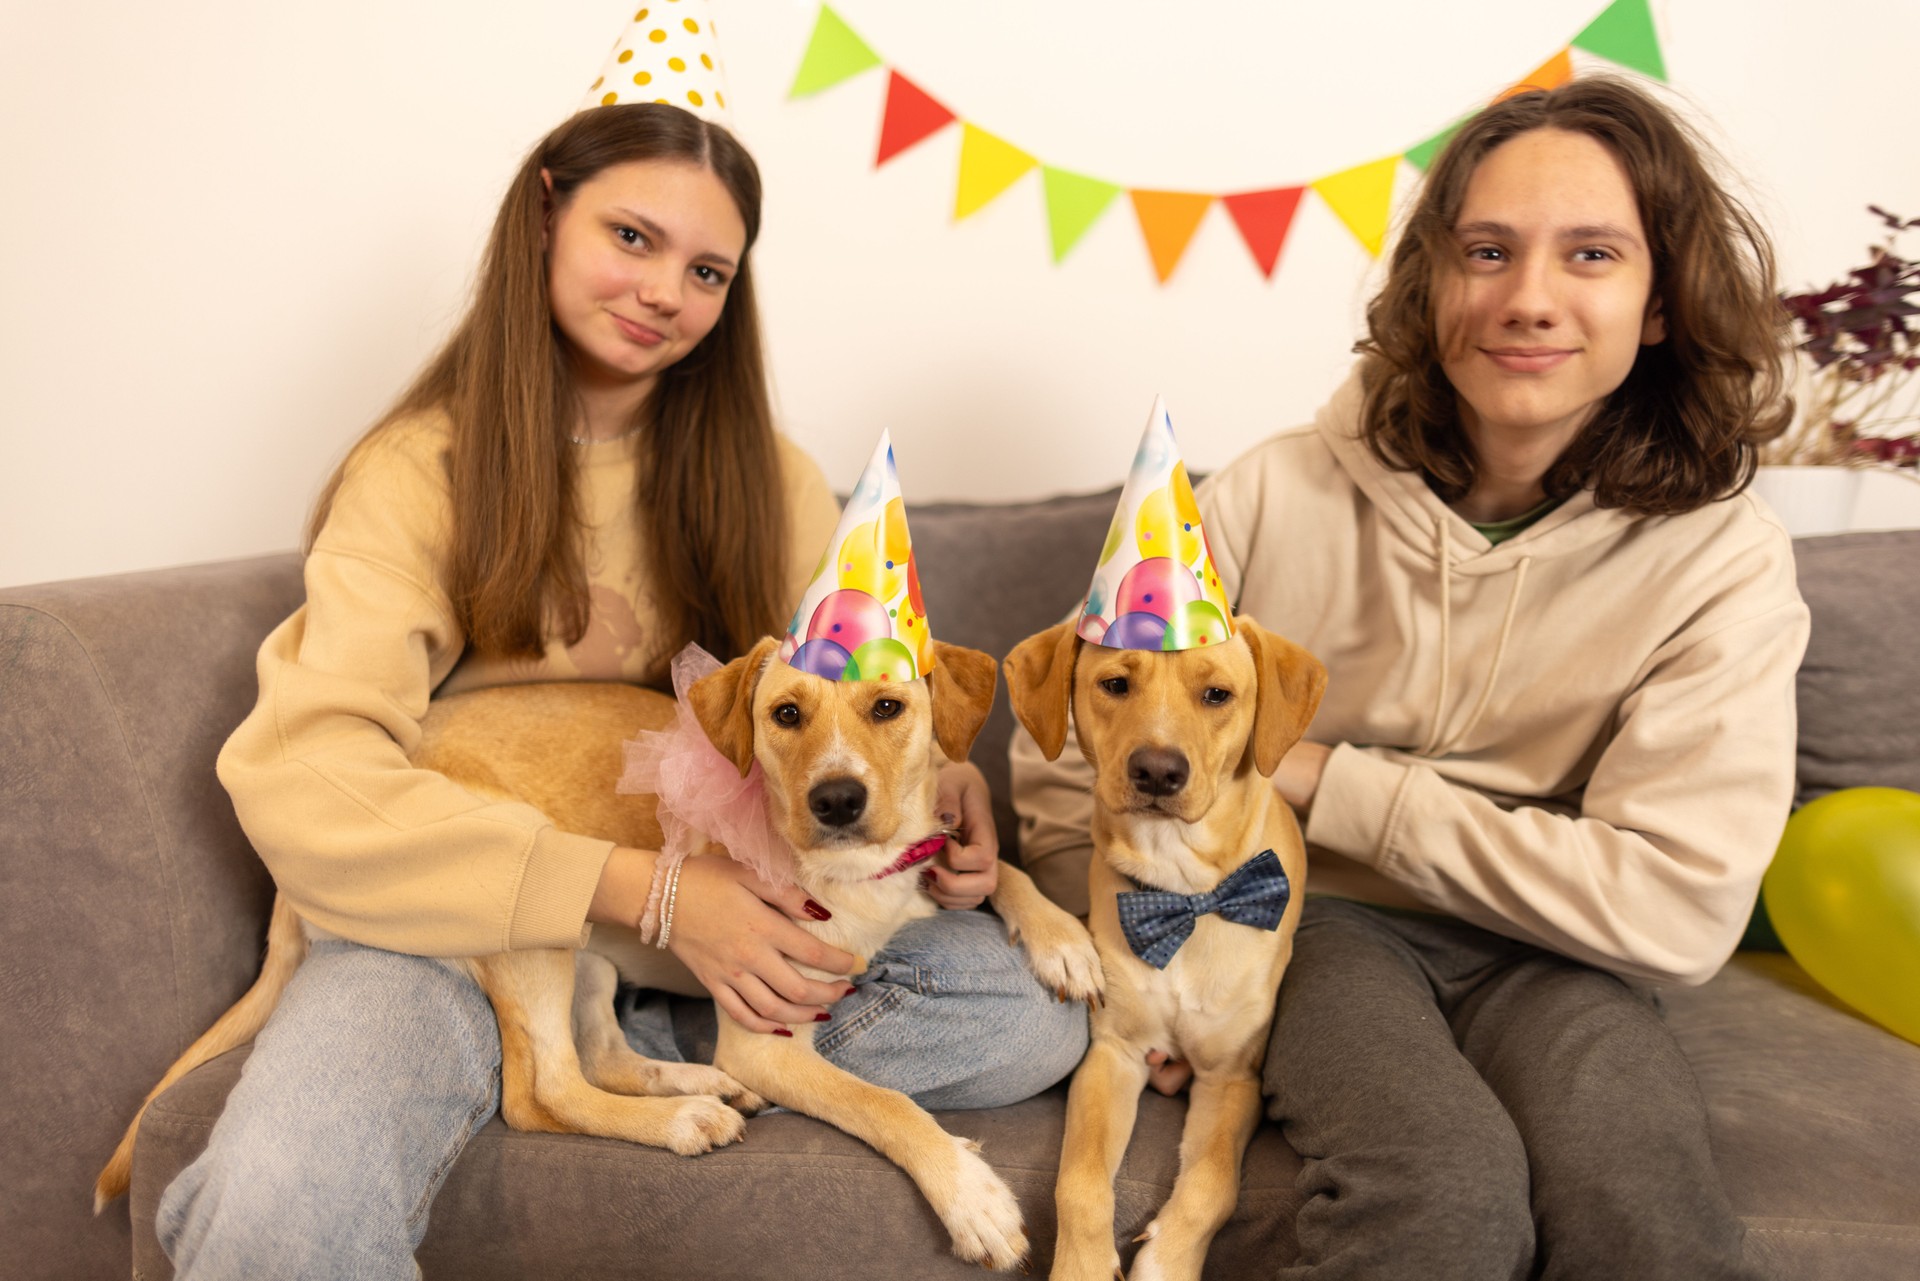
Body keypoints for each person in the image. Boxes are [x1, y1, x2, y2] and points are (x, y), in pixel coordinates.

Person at [158, 103, 1086, 1278]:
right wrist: (649, 897)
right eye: (632, 238)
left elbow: (864, 705)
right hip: (457, 924)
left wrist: (950, 788)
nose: (664, 292)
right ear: (544, 211)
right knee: (275, 1203)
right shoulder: (414, 475)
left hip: (751, 928)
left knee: (1033, 1017)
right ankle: (559, 1047)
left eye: (706, 269)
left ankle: (650, 1044)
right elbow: (309, 777)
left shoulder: (776, 480)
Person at [1011, 76, 1804, 1279]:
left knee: (1645, 1203)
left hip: (1563, 954)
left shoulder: (1722, 563)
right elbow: (1072, 739)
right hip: (1325, 923)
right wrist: (1131, 952)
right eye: (1486, 250)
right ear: (1432, 282)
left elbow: (1679, 909)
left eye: (1591, 253)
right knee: (1440, 1197)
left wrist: (1331, 778)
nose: (1528, 298)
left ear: (1659, 303)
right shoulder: (1268, 496)